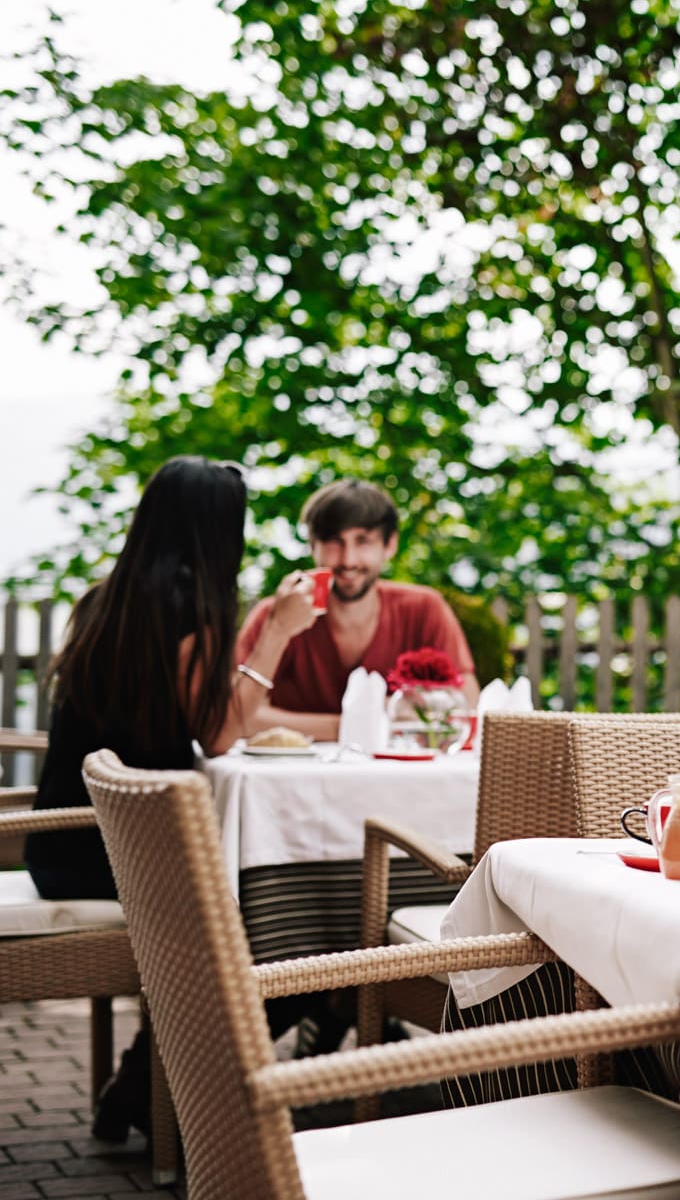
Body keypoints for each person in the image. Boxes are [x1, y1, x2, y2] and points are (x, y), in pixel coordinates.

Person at [24, 456, 323, 1141]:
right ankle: (147, 1088)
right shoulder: (197, 617)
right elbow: (220, 734)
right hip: (125, 856)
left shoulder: (104, 601)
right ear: (218, 533)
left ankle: (143, 1086)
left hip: (63, 844)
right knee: (287, 941)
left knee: (261, 926)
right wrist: (277, 628)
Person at [234, 479, 478, 739]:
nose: (348, 560)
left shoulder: (423, 609)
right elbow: (236, 715)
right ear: (312, 546)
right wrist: (360, 724)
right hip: (292, 774)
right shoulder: (275, 615)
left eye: (363, 541)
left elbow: (466, 701)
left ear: (390, 545)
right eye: (334, 542)